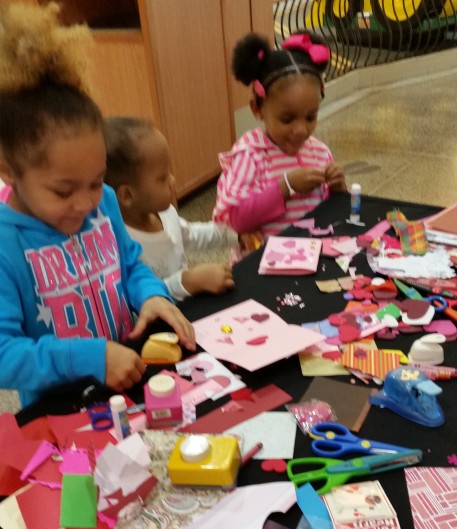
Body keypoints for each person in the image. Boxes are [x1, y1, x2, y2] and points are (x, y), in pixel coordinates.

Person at [0, 2, 195, 408]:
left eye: (95, 180)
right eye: (63, 191)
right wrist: (89, 357)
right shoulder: (6, 244)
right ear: (8, 170)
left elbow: (130, 264)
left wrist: (151, 294)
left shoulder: (104, 202)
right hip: (64, 408)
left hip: (127, 382)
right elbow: (5, 355)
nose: (86, 202)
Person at [213, 31, 347, 239]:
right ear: (257, 110)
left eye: (310, 117)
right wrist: (286, 186)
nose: (301, 130)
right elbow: (236, 218)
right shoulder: (251, 155)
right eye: (287, 119)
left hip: (314, 252)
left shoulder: (319, 152)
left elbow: (332, 210)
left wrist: (338, 188)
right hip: (266, 257)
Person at [104, 117, 246, 301]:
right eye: (163, 177)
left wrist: (236, 233)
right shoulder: (123, 245)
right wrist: (188, 281)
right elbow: (138, 301)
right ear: (127, 196)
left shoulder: (166, 214)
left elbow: (193, 235)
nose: (173, 180)